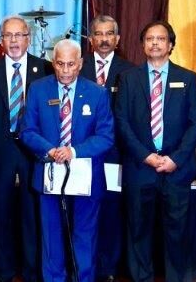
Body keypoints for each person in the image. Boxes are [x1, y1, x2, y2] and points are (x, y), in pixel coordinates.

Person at [19, 39, 114, 282]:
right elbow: (27, 131)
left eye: (71, 64)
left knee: (85, 235)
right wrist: (50, 150)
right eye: (60, 64)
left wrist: (74, 151)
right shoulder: (38, 89)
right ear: (53, 63)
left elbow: (106, 137)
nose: (65, 70)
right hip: (49, 172)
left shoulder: (97, 93)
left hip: (85, 175)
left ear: (81, 63)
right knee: (51, 236)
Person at [114, 20, 196, 282]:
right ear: (142, 45)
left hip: (176, 169)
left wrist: (174, 159)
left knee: (177, 232)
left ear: (171, 45)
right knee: (138, 232)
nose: (155, 43)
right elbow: (122, 122)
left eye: (161, 39)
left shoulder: (187, 78)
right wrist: (147, 156)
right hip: (140, 168)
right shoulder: (128, 79)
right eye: (149, 38)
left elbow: (194, 125)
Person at [0, 15, 51, 282]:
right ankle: (3, 270)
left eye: (19, 35)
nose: (13, 41)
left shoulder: (45, 68)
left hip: (34, 152)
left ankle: (32, 269)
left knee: (32, 212)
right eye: (8, 36)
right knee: (0, 212)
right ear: (1, 40)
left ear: (28, 38)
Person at [78, 15, 133, 282]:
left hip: (114, 155)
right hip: (80, 154)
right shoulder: (78, 66)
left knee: (111, 211)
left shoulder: (130, 70)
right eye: (98, 34)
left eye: (109, 34)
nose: (103, 39)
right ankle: (82, 266)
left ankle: (108, 268)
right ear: (90, 40)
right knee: (83, 212)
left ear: (117, 39)